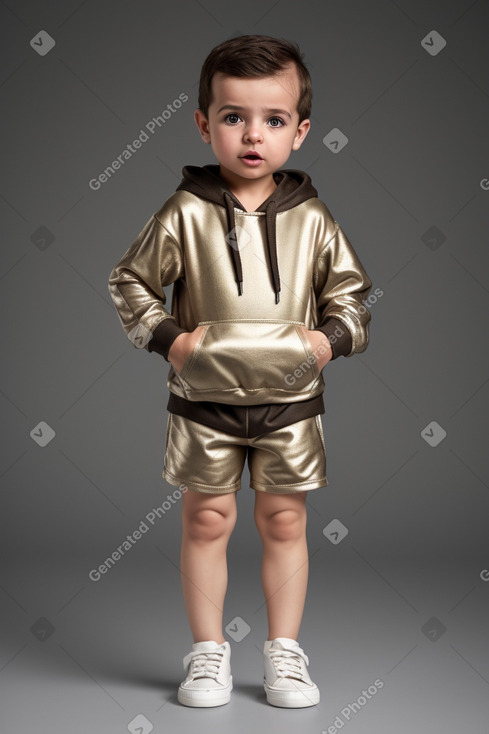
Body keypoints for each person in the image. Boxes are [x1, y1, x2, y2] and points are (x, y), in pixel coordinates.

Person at [108, 34, 372, 709]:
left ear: (300, 131)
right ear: (204, 123)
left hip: (291, 403)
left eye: (273, 119)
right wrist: (171, 341)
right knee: (206, 520)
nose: (252, 134)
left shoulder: (313, 219)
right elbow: (129, 283)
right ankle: (207, 653)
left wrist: (328, 340)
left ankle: (283, 653)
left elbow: (351, 294)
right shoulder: (183, 212)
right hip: (203, 400)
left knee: (284, 522)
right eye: (233, 116)